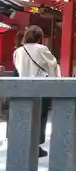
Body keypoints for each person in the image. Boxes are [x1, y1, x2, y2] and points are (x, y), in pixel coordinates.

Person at [13, 25, 59, 158]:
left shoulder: (18, 51)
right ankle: (35, 146)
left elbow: (17, 68)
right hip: (40, 87)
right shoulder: (42, 49)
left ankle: (23, 143)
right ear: (39, 37)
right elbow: (52, 65)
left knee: (25, 116)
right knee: (40, 116)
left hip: (23, 87)